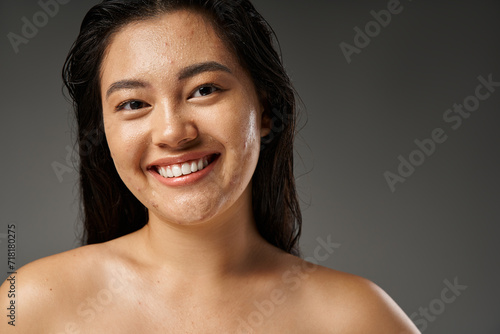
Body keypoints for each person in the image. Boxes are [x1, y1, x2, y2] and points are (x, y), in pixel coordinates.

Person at [1, 0, 419, 332]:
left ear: (266, 108)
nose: (172, 131)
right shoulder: (28, 308)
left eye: (204, 89)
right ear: (103, 132)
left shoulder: (355, 319)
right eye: (133, 104)